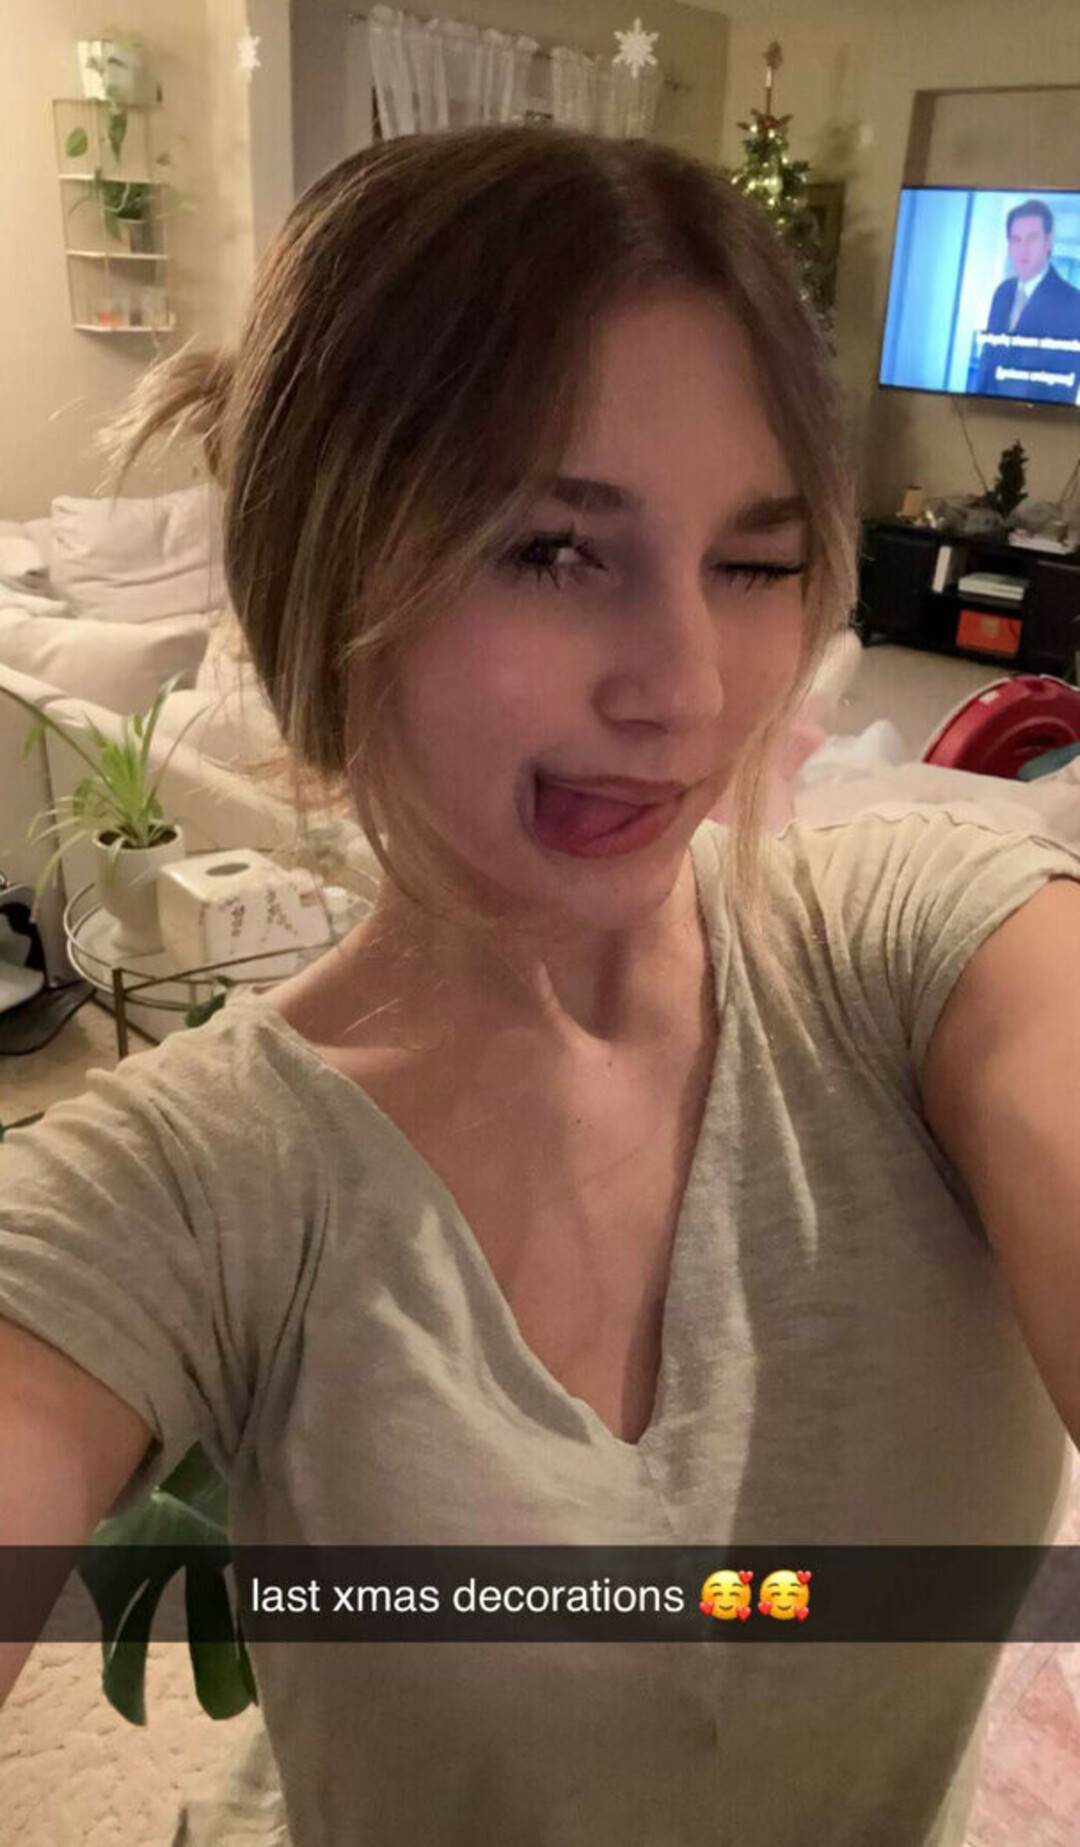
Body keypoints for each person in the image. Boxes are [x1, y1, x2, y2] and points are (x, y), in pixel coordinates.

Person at [2, 125, 1080, 1847]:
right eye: (554, 551)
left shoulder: (920, 944)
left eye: (752, 562)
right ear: (324, 567)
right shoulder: (190, 1183)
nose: (686, 686)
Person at [975, 197, 1080, 400]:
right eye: (1016, 239)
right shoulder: (1002, 292)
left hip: (1037, 417)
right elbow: (987, 362)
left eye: (1032, 239)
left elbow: (1065, 381)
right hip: (986, 411)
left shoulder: (1073, 303)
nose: (1023, 249)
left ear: (1048, 242)